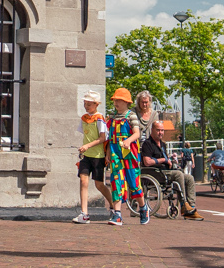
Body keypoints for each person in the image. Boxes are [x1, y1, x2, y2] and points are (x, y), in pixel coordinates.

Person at [133, 92, 198, 217]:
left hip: (162, 169)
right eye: (158, 130)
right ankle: (184, 205)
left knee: (189, 178)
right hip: (151, 166)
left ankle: (192, 205)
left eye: (162, 130)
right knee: (178, 175)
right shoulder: (147, 143)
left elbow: (164, 157)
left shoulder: (161, 143)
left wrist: (170, 159)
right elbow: (147, 161)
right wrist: (163, 160)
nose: (145, 104)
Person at [99, 87, 144, 225]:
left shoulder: (131, 115)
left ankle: (143, 207)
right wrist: (107, 153)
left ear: (126, 102)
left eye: (119, 100)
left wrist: (128, 141)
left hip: (129, 154)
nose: (116, 103)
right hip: (115, 154)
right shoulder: (112, 118)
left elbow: (137, 133)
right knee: (116, 181)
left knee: (133, 182)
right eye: (115, 100)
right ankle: (117, 214)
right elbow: (110, 139)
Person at [73, 88, 107, 223]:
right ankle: (84, 213)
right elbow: (85, 135)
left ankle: (112, 205)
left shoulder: (99, 119)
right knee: (83, 181)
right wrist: (84, 148)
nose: (86, 106)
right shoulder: (84, 118)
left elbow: (102, 138)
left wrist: (88, 145)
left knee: (99, 185)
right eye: (85, 103)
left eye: (89, 104)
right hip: (86, 156)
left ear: (96, 105)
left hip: (98, 156)